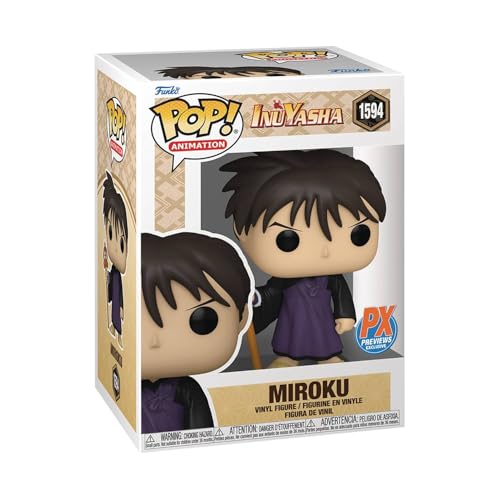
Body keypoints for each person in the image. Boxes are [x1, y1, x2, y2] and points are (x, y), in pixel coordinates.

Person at [221, 149, 386, 368]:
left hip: (322, 318)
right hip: (293, 318)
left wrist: (345, 315)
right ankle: (288, 357)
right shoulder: (285, 279)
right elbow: (270, 294)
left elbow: (341, 295)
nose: (324, 252)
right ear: (242, 232)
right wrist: (254, 299)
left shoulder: (332, 278)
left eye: (358, 234)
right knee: (292, 334)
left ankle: (327, 356)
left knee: (324, 335)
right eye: (287, 239)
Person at [141, 232, 251, 433]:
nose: (155, 340)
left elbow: (200, 429)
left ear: (241, 318)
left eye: (202, 320)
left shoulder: (186, 390)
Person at [103, 171, 128, 350]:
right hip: (115, 286)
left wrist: (123, 308)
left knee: (117, 313)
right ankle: (114, 328)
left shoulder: (120, 276)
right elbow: (110, 289)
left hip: (120, 300)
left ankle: (118, 330)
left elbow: (120, 295)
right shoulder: (115, 272)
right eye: (110, 233)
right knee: (114, 313)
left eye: (121, 243)